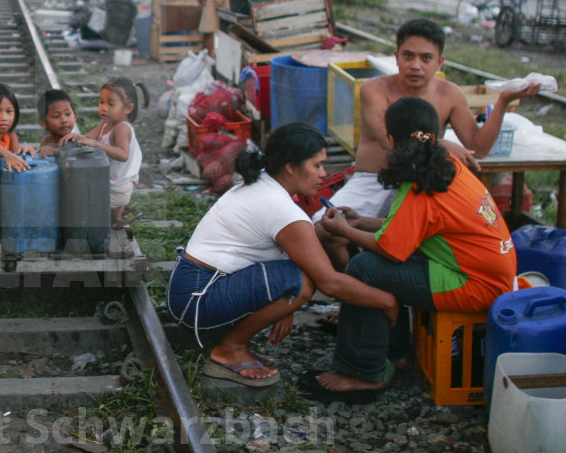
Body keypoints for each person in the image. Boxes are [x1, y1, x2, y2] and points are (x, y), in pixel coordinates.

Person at [307, 97, 516, 402]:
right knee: (374, 265)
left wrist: (345, 230)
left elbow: (392, 251)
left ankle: (361, 372)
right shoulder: (444, 165)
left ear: (391, 140)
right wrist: (360, 221)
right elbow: (410, 227)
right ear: (436, 132)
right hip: (491, 273)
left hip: (475, 284)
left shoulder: (419, 182)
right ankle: (398, 354)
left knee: (363, 270)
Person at [166, 123, 400, 386]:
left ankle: (232, 343)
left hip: (192, 290)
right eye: (317, 165)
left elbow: (286, 252)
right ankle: (229, 349)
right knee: (303, 283)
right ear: (291, 166)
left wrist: (285, 309)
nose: (324, 174)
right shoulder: (280, 208)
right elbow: (329, 282)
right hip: (198, 300)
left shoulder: (263, 183)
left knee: (299, 275)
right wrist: (388, 301)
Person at [315, 17, 539, 269]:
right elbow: (389, 138)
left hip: (421, 183)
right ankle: (351, 284)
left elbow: (480, 147)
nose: (415, 66)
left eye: (426, 58)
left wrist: (503, 102)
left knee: (419, 241)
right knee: (324, 228)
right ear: (396, 56)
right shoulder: (374, 89)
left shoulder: (449, 93)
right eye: (408, 56)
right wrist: (441, 143)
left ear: (440, 62)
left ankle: (372, 282)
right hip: (375, 179)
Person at [61, 77, 149, 229]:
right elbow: (88, 138)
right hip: (111, 182)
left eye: (111, 104)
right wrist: (77, 136)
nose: (104, 108)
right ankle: (115, 215)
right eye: (101, 102)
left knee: (83, 203)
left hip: (118, 187)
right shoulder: (106, 123)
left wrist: (98, 145)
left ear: (128, 108)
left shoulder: (122, 128)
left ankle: (113, 214)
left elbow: (123, 154)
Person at [36, 89, 77, 157]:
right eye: (56, 116)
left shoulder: (76, 140)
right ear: (43, 123)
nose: (64, 120)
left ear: (75, 117)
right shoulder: (46, 140)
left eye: (67, 114)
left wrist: (55, 152)